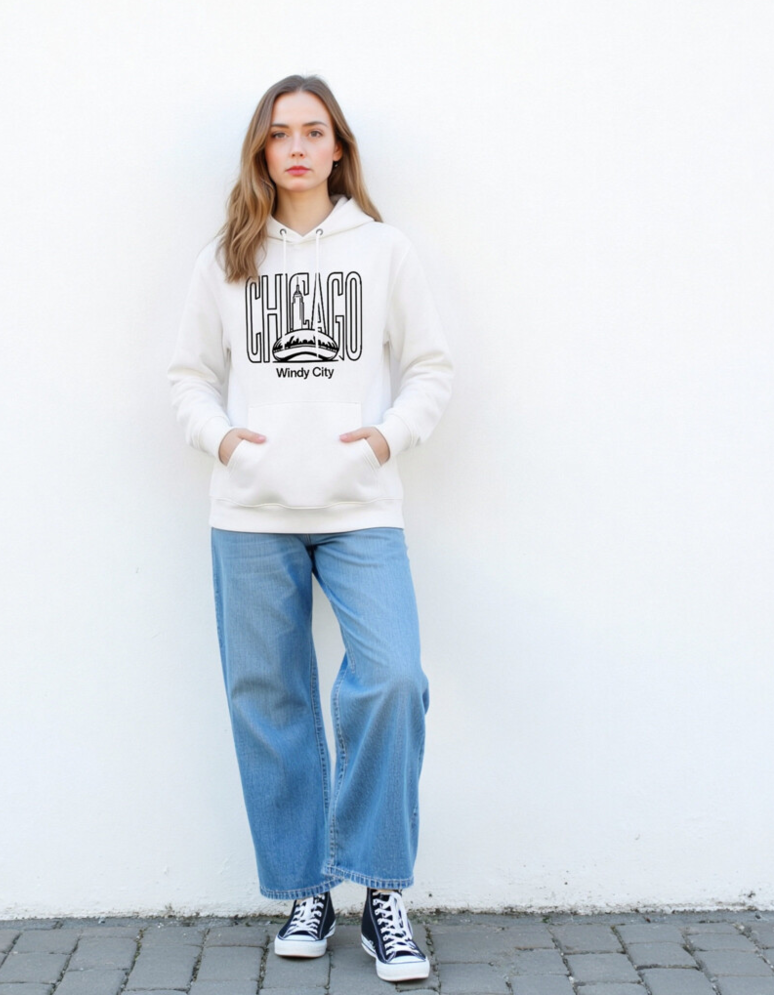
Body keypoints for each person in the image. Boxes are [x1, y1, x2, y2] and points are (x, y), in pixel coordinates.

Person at [168, 74, 452, 983]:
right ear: (262, 149)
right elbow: (187, 375)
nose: (297, 147)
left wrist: (386, 438)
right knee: (271, 702)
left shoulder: (383, 251)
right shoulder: (228, 256)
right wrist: (223, 441)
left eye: (314, 131)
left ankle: (381, 891)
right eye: (281, 132)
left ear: (338, 148)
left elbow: (431, 367)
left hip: (359, 508)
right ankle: (305, 890)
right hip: (251, 513)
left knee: (392, 680)